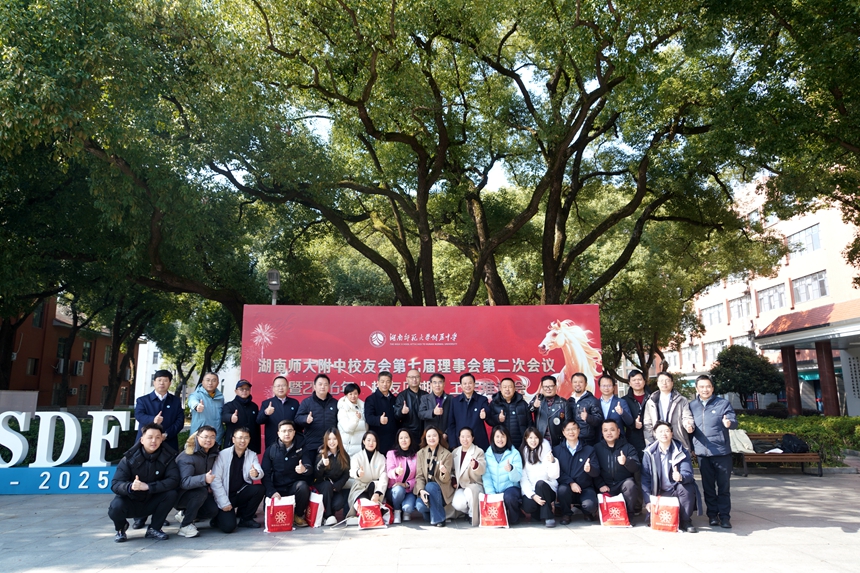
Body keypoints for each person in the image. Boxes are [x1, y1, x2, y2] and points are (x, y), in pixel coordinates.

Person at [108, 423, 180, 542]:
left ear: (162, 439)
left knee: (171, 494)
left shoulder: (168, 457)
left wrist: (148, 487)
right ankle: (121, 529)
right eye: (150, 437)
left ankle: (154, 528)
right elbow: (116, 484)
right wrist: (130, 486)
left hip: (152, 499)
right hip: (132, 499)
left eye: (157, 437)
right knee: (116, 507)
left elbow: (174, 480)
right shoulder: (128, 459)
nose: (154, 441)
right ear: (142, 440)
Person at [689, 374, 737, 529]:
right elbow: (689, 427)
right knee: (708, 487)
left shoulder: (723, 404)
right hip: (703, 453)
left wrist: (729, 423)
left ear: (713, 388)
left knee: (724, 487)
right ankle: (712, 515)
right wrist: (692, 447)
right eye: (702, 387)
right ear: (696, 389)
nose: (705, 389)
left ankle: (724, 517)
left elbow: (733, 421)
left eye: (708, 386)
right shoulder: (692, 406)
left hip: (721, 452)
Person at [641, 421, 702, 533]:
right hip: (658, 491)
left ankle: (685, 520)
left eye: (667, 431)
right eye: (660, 431)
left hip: (675, 489)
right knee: (656, 521)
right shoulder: (649, 452)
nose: (664, 434)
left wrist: (680, 477)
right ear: (655, 434)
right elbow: (645, 478)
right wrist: (648, 501)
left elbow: (688, 474)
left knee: (686, 487)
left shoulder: (681, 451)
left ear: (672, 433)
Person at [210, 427, 266, 533]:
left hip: (240, 493)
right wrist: (224, 503)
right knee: (229, 527)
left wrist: (256, 474)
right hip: (225, 494)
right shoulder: (223, 455)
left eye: (246, 438)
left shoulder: (252, 455)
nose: (243, 441)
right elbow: (215, 480)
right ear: (233, 439)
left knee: (259, 489)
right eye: (240, 437)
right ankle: (217, 518)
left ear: (249, 440)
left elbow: (259, 471)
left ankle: (246, 519)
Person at [261, 419, 313, 528]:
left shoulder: (301, 448)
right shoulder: (271, 450)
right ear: (278, 433)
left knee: (303, 486)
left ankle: (297, 515)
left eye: (290, 431)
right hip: (277, 489)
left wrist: (304, 469)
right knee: (272, 518)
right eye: (284, 431)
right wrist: (271, 491)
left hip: (293, 488)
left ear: (294, 432)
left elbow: (309, 467)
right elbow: (265, 474)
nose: (287, 434)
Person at [173, 426, 220, 538]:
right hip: (180, 495)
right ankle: (185, 526)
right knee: (200, 493)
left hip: (200, 490)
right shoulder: (187, 456)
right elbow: (184, 482)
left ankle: (184, 514)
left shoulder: (213, 453)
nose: (209, 440)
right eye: (205, 437)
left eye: (212, 437)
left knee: (212, 510)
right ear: (197, 437)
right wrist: (204, 479)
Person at [553, 419, 600, 524]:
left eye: (574, 429)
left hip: (585, 487)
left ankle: (586, 512)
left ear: (579, 430)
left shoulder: (589, 449)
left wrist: (590, 469)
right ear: (563, 432)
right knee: (562, 490)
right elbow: (557, 472)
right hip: (567, 486)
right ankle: (566, 514)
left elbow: (596, 472)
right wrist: (571, 483)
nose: (571, 432)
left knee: (590, 506)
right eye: (568, 429)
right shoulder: (557, 450)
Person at [593, 419, 640, 519]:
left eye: (612, 430)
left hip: (622, 483)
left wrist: (626, 462)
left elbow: (636, 467)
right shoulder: (596, 448)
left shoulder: (628, 447)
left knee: (630, 485)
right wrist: (600, 484)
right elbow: (595, 470)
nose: (609, 433)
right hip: (605, 485)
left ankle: (629, 515)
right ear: (602, 433)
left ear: (618, 431)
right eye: (605, 430)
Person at [621, 369, 650, 514]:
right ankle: (638, 505)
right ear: (629, 383)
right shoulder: (624, 400)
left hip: (651, 439)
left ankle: (653, 503)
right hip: (633, 440)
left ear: (644, 381)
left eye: (639, 379)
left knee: (652, 472)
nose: (637, 382)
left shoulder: (652, 397)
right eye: (634, 380)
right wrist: (633, 424)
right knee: (637, 473)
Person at [134, 370, 184, 452]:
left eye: (165, 380)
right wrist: (153, 419)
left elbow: (180, 421)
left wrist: (166, 434)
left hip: (169, 443)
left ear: (170, 383)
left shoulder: (175, 401)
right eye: (159, 380)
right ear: (154, 382)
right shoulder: (143, 400)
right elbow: (139, 415)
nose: (162, 383)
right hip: (147, 443)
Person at [414, 425, 454, 527]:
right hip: (426, 491)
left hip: (441, 491)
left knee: (431, 486)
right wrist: (421, 490)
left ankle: (439, 519)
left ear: (439, 437)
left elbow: (446, 480)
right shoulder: (420, 453)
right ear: (425, 438)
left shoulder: (447, 454)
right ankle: (433, 513)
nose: (431, 438)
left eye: (434, 436)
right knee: (419, 506)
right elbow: (419, 476)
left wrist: (443, 472)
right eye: (429, 436)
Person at [643, 372, 694, 450]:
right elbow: (647, 424)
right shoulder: (651, 402)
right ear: (657, 383)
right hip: (658, 440)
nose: (664, 383)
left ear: (672, 383)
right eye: (661, 381)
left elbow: (687, 417)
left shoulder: (681, 400)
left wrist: (689, 425)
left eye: (667, 380)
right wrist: (650, 443)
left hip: (677, 438)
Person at [483, 425, 523, 526]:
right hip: (494, 489)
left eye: (503, 436)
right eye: (497, 436)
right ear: (493, 438)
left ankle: (514, 518)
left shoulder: (514, 454)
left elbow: (517, 478)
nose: (500, 439)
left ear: (507, 438)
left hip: (510, 488)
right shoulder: (487, 454)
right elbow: (486, 477)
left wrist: (511, 470)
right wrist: (492, 495)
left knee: (509, 497)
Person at [519, 426, 559, 528]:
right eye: (530, 438)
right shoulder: (523, 453)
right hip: (533, 490)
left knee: (540, 484)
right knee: (528, 506)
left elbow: (554, 475)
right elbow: (524, 479)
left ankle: (548, 516)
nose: (533, 441)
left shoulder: (546, 451)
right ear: (526, 439)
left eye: (536, 437)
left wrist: (552, 462)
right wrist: (532, 495)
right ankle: (537, 514)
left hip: (547, 488)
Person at [346, 431, 389, 518]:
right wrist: (358, 473)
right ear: (364, 441)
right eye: (368, 440)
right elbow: (352, 471)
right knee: (362, 503)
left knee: (373, 491)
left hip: (375, 488)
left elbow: (384, 476)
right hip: (359, 487)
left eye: (374, 440)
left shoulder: (381, 458)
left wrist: (378, 492)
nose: (371, 443)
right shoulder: (356, 457)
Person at [314, 428, 351, 526]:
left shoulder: (344, 456)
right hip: (322, 486)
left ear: (338, 439)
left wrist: (338, 485)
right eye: (329, 439)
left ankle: (327, 514)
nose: (332, 442)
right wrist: (322, 465)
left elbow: (346, 474)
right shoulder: (321, 454)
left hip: (334, 487)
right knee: (326, 485)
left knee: (339, 502)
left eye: (334, 439)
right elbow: (316, 475)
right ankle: (328, 516)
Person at [450, 427, 486, 526]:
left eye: (468, 436)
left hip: (474, 485)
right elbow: (452, 470)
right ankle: (469, 511)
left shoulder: (478, 451)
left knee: (469, 492)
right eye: (462, 436)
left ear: (472, 438)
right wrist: (453, 479)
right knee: (457, 503)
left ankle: (472, 515)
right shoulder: (455, 452)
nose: (465, 439)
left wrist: (476, 465)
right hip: (461, 486)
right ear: (459, 438)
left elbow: (482, 468)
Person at [295, 374, 339, 452]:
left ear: (329, 387)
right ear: (314, 386)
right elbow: (297, 418)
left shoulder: (335, 403)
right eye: (320, 384)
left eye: (325, 384)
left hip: (330, 444)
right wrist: (305, 419)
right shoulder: (307, 402)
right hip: (312, 444)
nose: (323, 387)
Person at [447, 372, 490, 449]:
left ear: (474, 384)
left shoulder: (482, 400)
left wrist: (485, 415)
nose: (467, 385)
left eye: (470, 383)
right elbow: (451, 424)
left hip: (479, 443)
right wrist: (453, 445)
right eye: (465, 383)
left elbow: (488, 411)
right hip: (460, 443)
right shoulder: (455, 401)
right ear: (461, 385)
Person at [256, 375, 300, 449]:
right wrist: (266, 413)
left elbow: (298, 422)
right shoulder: (266, 403)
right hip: (272, 442)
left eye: (283, 385)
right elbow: (259, 421)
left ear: (288, 387)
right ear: (273, 388)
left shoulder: (294, 403)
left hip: (292, 442)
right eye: (278, 386)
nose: (281, 388)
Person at [488, 377, 530, 451]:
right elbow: (489, 420)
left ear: (514, 389)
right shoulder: (494, 403)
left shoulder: (522, 404)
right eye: (504, 387)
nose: (507, 389)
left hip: (520, 443)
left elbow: (529, 423)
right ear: (500, 389)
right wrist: (497, 419)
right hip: (501, 443)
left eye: (510, 387)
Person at [385, 429, 418, 524]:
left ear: (410, 439)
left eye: (406, 437)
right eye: (401, 438)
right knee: (399, 490)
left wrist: (406, 484)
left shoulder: (416, 456)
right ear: (398, 440)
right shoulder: (391, 454)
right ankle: (397, 511)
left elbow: (419, 476)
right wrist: (396, 471)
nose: (404, 440)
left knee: (408, 508)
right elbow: (389, 471)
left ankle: (405, 511)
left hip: (409, 490)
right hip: (394, 490)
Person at [529, 375, 570, 447]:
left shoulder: (563, 402)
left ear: (555, 387)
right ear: (542, 388)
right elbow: (527, 413)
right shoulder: (538, 399)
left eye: (551, 386)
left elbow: (568, 423)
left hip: (558, 442)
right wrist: (534, 407)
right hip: (540, 440)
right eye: (545, 387)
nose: (548, 389)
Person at [221, 379, 260, 453]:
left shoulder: (254, 406)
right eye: (241, 389)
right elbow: (224, 416)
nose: (244, 391)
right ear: (236, 391)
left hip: (250, 445)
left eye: (247, 389)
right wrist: (230, 417)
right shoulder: (229, 405)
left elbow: (257, 426)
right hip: (233, 444)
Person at [364, 371, 398, 454]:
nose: (385, 384)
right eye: (382, 381)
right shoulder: (371, 399)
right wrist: (379, 419)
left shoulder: (395, 399)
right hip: (378, 440)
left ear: (391, 383)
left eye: (387, 381)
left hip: (393, 440)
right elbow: (368, 418)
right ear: (377, 382)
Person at [188, 372, 225, 443]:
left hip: (216, 437)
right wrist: (197, 406)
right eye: (208, 380)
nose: (210, 383)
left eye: (214, 380)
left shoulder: (220, 397)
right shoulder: (196, 395)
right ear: (202, 382)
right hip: (200, 437)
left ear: (217, 383)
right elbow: (192, 401)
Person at [567, 372, 603, 447]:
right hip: (572, 439)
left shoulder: (592, 400)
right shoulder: (569, 401)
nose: (577, 384)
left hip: (587, 441)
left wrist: (588, 417)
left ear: (586, 384)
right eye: (575, 382)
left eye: (580, 382)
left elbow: (599, 420)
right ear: (572, 384)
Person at [394, 369, 428, 445]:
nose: (414, 379)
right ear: (407, 379)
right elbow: (396, 415)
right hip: (408, 435)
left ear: (420, 378)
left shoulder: (426, 395)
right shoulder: (402, 396)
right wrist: (402, 412)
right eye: (411, 377)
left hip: (424, 434)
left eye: (417, 377)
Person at [337, 383, 367, 457]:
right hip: (349, 448)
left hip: (361, 446)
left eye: (355, 393)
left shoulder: (363, 408)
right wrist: (356, 419)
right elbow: (347, 429)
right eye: (350, 394)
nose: (353, 396)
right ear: (346, 395)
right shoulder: (343, 409)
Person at [418, 373, 452, 439]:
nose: (437, 385)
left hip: (445, 436)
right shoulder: (425, 398)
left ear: (444, 384)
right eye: (435, 382)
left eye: (440, 382)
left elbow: (454, 419)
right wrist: (433, 412)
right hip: (430, 436)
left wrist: (447, 433)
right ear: (431, 384)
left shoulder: (450, 399)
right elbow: (421, 414)